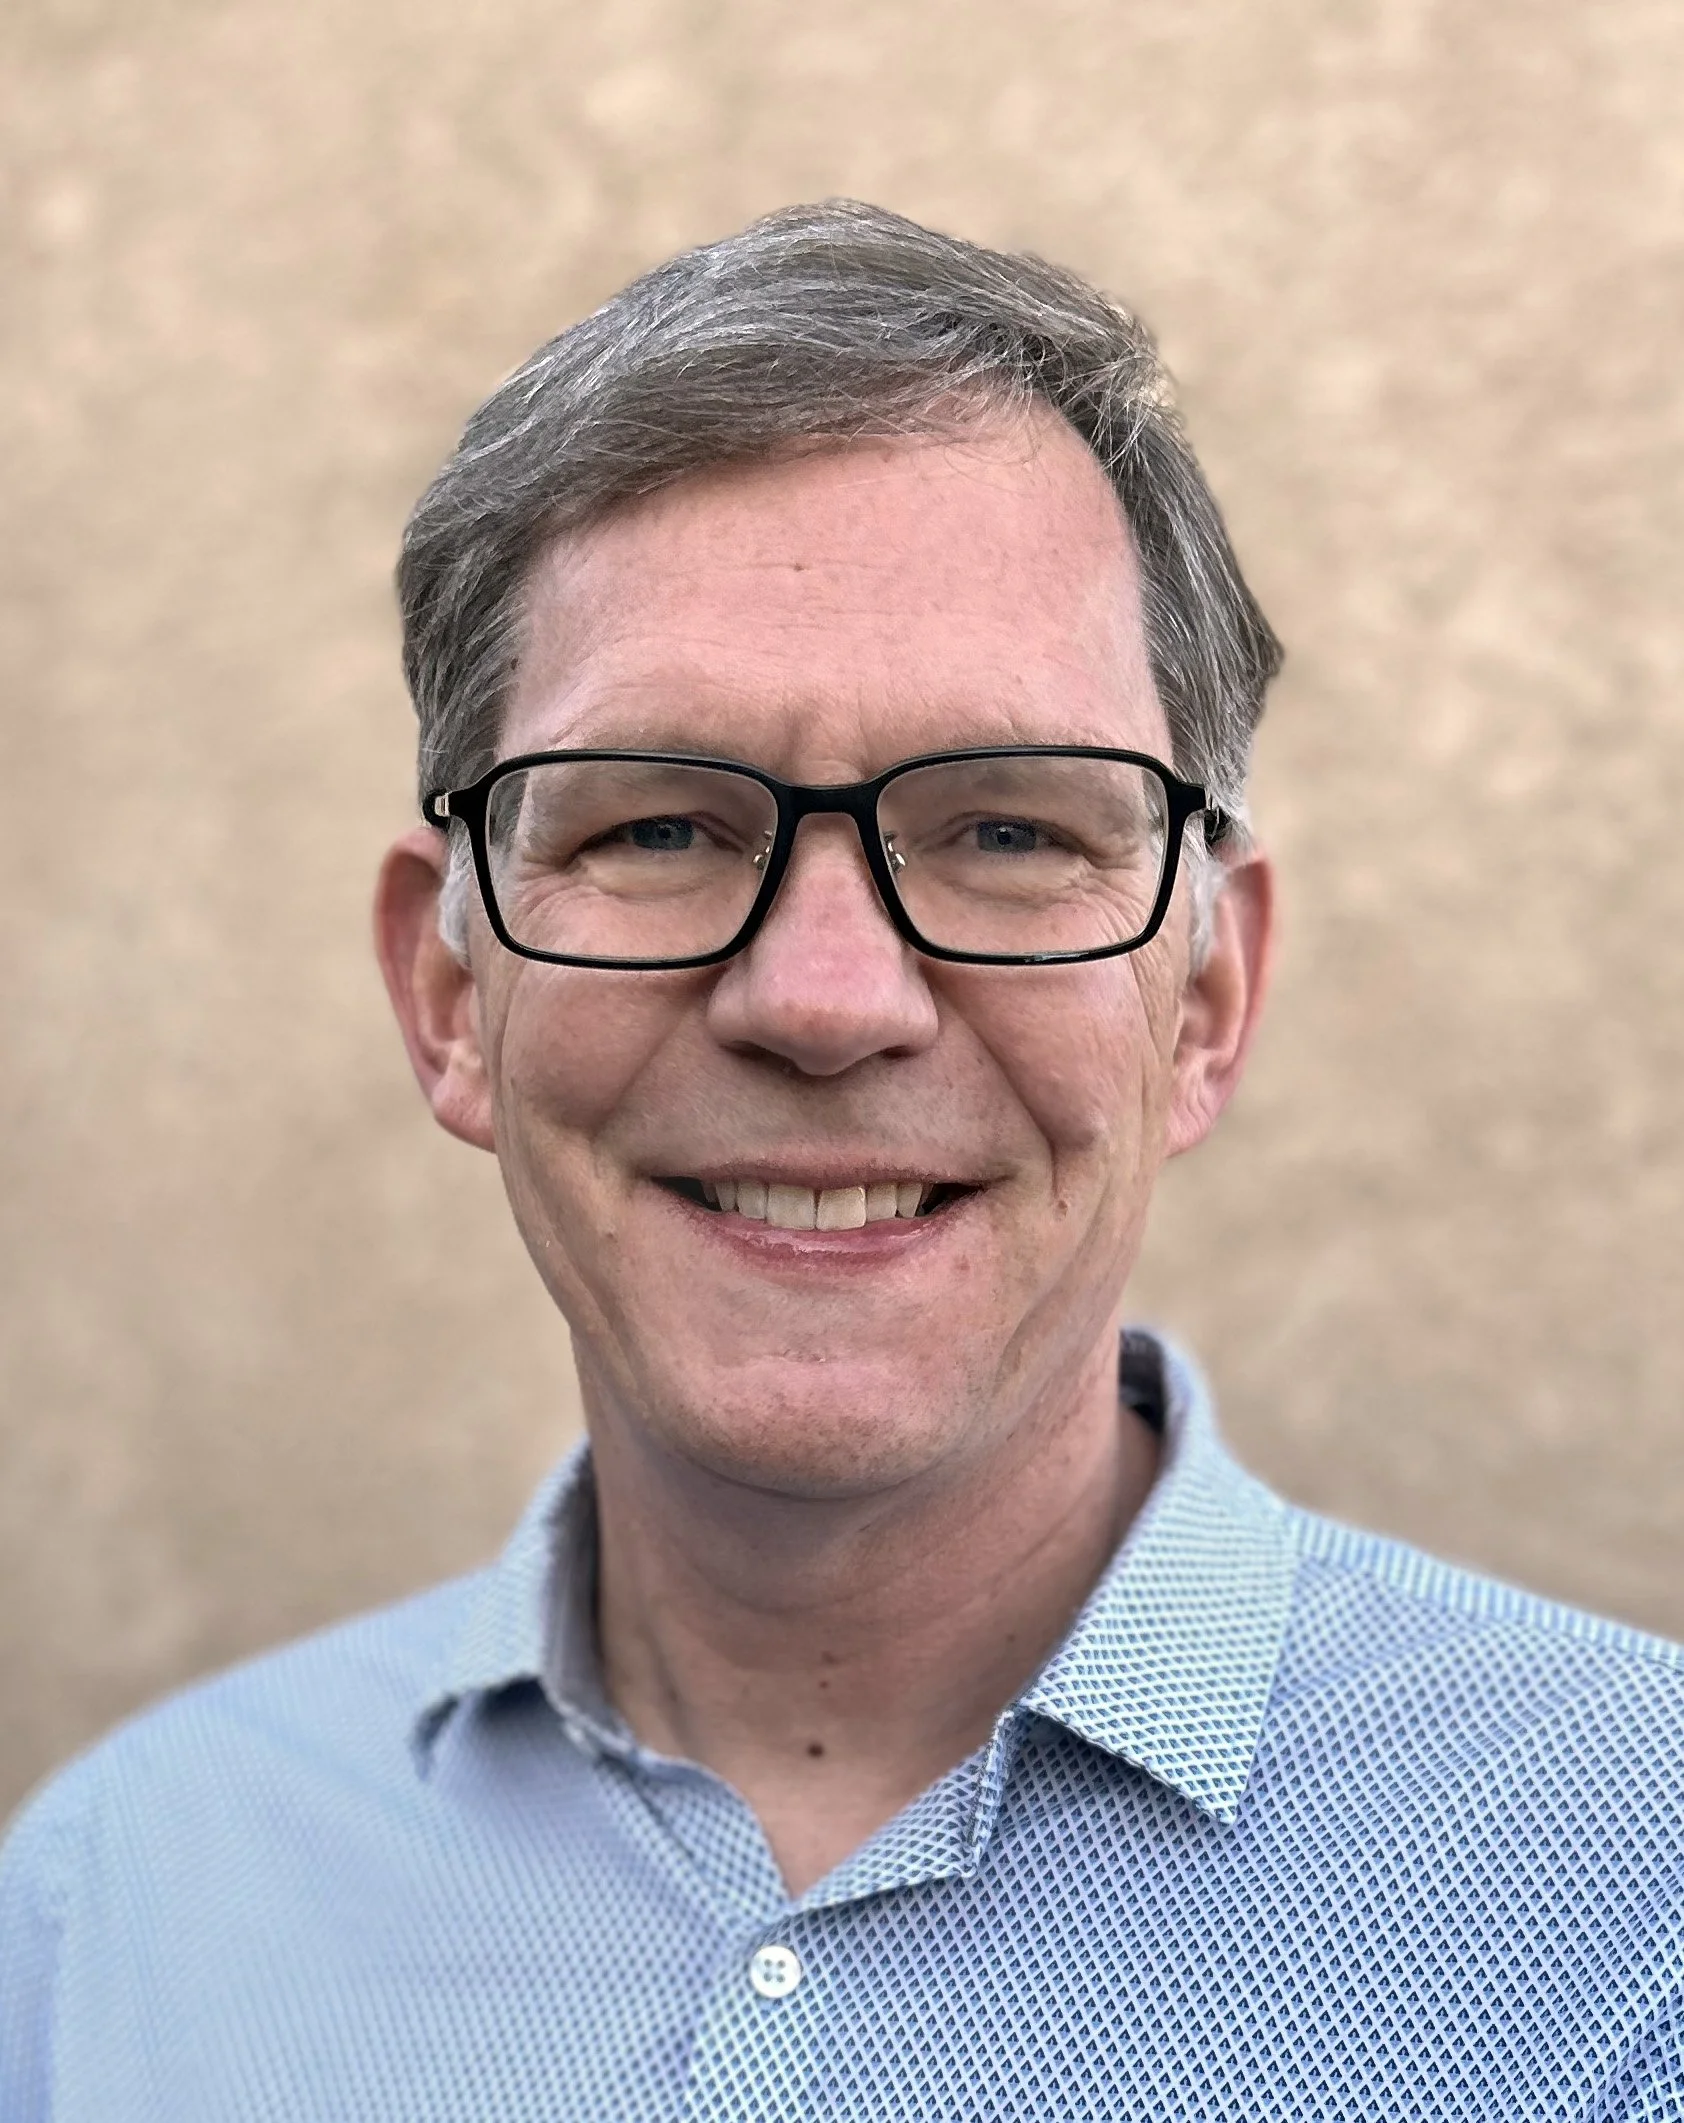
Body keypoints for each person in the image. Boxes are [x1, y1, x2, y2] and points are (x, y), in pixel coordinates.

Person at [3, 200, 1680, 2122]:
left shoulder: (1640, 1909)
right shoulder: (117, 1910)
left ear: (1206, 997)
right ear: (447, 993)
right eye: (654, 830)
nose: (821, 996)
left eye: (1010, 831)